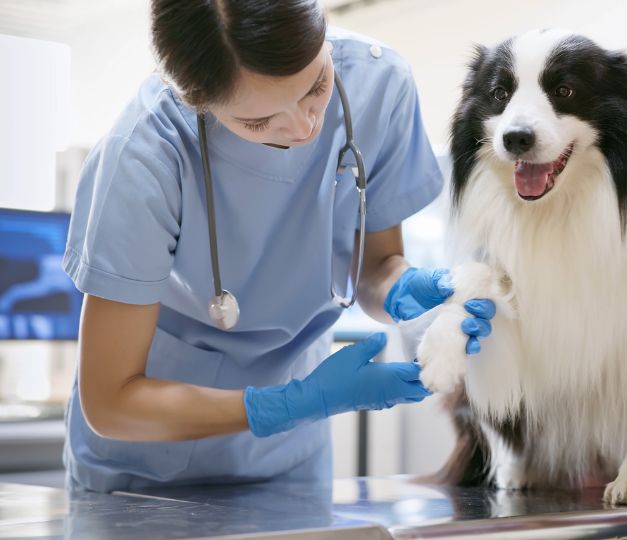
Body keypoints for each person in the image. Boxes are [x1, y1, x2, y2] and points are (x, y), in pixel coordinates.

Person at [62, 0, 495, 493]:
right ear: (195, 100)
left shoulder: (379, 86)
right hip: (144, 468)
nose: (305, 126)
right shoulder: (141, 158)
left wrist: (404, 291)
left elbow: (375, 267)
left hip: (290, 458)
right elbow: (111, 400)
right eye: (259, 121)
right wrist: (291, 402)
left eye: (316, 87)